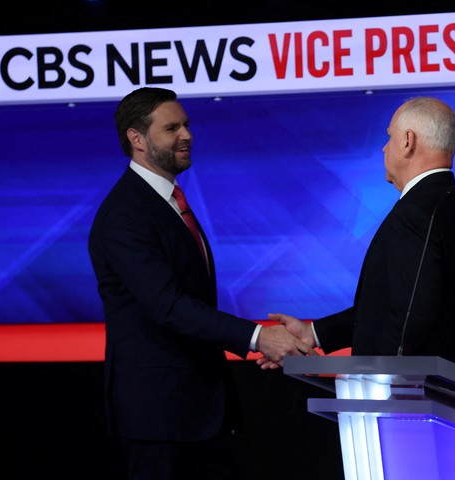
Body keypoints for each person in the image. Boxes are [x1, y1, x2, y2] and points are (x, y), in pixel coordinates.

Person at [87, 87, 310, 480]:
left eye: (186, 124)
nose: (186, 135)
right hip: (160, 417)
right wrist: (260, 337)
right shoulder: (125, 214)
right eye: (171, 128)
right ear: (136, 139)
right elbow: (169, 306)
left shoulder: (168, 201)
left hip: (199, 410)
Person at [260, 96, 455, 370]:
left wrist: (372, 383)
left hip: (409, 401)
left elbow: (409, 319)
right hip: (441, 392)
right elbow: (393, 308)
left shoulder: (417, 214)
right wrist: (314, 334)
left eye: (389, 137)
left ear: (407, 141)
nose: (383, 148)